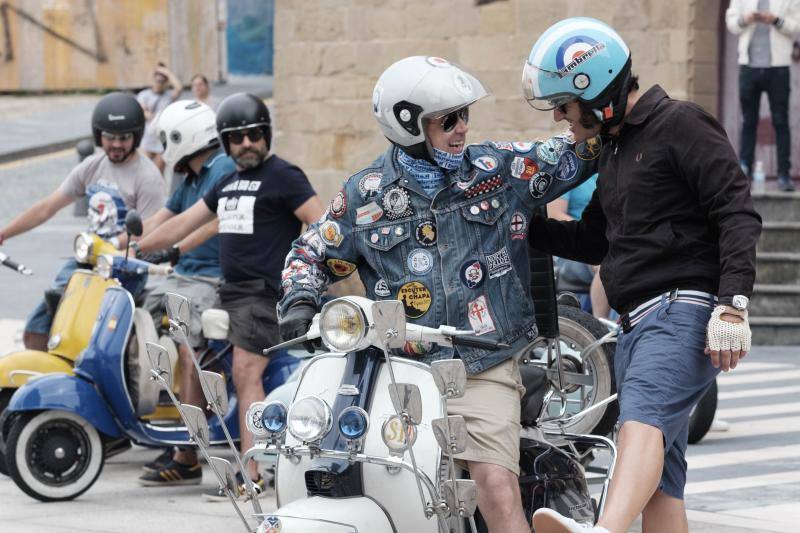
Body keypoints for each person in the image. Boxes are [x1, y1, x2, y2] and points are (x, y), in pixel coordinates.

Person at [277, 56, 603, 533]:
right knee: (331, 461)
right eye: (447, 119)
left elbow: (577, 151)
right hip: (398, 371)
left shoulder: (500, 170)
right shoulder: (365, 195)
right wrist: (299, 301)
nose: (462, 128)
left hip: (481, 365)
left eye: (464, 115)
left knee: (494, 482)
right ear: (408, 125)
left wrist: (603, 106)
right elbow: (309, 251)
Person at [522, 18, 762, 533]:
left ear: (599, 88)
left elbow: (736, 210)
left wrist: (733, 303)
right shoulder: (611, 149)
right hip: (635, 325)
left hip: (681, 311)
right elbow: (591, 241)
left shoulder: (680, 123)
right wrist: (521, 227)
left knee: (639, 426)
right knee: (660, 486)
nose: (562, 116)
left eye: (565, 103)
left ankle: (604, 530)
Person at [132, 92, 324, 498]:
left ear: (266, 134)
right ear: (225, 141)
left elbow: (320, 224)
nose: (246, 144)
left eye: (254, 134)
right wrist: (139, 246)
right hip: (228, 293)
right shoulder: (229, 181)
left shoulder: (284, 176)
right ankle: (189, 454)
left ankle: (252, 476)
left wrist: (306, 275)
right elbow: (184, 222)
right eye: (236, 138)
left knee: (244, 373)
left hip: (264, 293)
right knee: (194, 355)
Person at [124, 100, 236, 486]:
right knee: (127, 318)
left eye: (165, 140)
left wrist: (159, 247)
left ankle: (187, 454)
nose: (161, 149)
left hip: (210, 281)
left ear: (180, 137)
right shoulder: (187, 176)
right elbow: (162, 219)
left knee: (192, 353)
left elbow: (209, 222)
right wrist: (119, 243)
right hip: (181, 276)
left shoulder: (220, 167)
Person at [0, 92, 166, 351]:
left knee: (90, 338)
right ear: (98, 135)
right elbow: (47, 206)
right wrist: (3, 233)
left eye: (124, 138)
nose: (116, 144)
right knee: (36, 330)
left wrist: (111, 243)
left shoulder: (148, 177)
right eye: (110, 137)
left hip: (123, 267)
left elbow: (149, 229)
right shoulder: (91, 166)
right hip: (86, 260)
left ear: (136, 136)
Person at [726, 0, 800, 192]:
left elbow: (797, 25)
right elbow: (732, 23)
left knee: (780, 121)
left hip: (779, 68)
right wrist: (746, 19)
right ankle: (744, 173)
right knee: (748, 121)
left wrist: (775, 20)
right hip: (748, 67)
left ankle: (784, 175)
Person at [547, 173, 612, 318]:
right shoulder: (566, 173)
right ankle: (601, 328)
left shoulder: (608, 170)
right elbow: (554, 214)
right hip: (572, 250)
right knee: (608, 264)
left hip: (607, 242)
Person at [137, 63, 184, 172]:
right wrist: (153, 116)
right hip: (146, 140)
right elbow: (143, 111)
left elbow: (179, 87)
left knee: (158, 172)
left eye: (163, 80)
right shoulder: (144, 95)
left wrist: (166, 72)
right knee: (142, 170)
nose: (159, 83)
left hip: (161, 142)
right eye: (157, 79)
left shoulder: (169, 95)